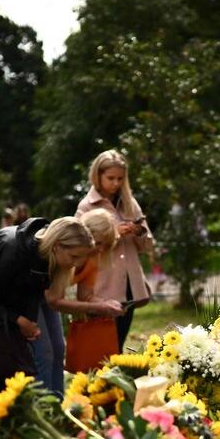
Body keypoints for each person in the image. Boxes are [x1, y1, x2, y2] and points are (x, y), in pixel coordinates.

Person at [0, 216, 95, 398]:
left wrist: (28, 321)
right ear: (56, 245)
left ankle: (49, 406)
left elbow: (32, 293)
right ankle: (11, 409)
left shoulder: (48, 257)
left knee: (41, 351)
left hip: (9, 301)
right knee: (4, 360)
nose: (76, 264)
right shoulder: (10, 251)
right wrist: (19, 321)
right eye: (74, 257)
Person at [31, 209, 124, 394]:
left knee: (59, 349)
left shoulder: (93, 257)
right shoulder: (67, 254)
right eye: (98, 243)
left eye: (105, 245)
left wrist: (107, 304)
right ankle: (43, 402)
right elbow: (54, 300)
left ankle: (57, 400)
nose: (100, 249)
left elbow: (85, 295)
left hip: (51, 298)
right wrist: (97, 307)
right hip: (33, 296)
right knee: (44, 352)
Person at [76, 150, 154, 350]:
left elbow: (148, 246)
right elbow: (80, 248)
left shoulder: (130, 204)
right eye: (110, 178)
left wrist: (138, 232)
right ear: (98, 175)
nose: (116, 183)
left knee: (119, 342)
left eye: (120, 178)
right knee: (101, 346)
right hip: (101, 285)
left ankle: (116, 370)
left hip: (129, 284)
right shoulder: (86, 206)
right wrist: (113, 234)